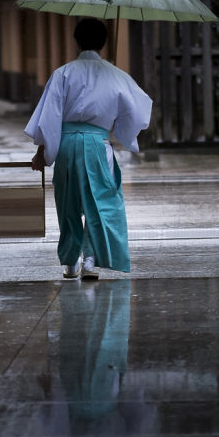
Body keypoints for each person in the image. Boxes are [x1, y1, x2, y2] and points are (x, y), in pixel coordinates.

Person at [25, 18, 152, 280]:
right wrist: (117, 124)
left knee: (68, 200)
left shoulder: (63, 73)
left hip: (68, 143)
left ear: (76, 41)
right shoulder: (116, 75)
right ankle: (91, 260)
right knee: (100, 201)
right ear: (104, 43)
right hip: (97, 144)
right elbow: (136, 114)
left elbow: (49, 116)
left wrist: (42, 152)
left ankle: (70, 261)